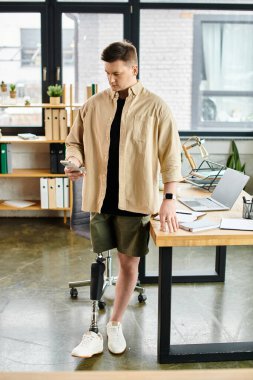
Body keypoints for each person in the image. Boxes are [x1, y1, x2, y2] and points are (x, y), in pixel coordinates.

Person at [65, 40, 182, 358]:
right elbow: (74, 142)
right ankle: (92, 330)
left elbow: (170, 157)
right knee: (99, 261)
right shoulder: (92, 105)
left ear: (134, 69)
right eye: (107, 73)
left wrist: (168, 197)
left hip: (136, 201)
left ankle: (114, 323)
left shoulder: (156, 107)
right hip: (100, 200)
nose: (111, 80)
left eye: (116, 73)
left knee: (129, 264)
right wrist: (75, 161)